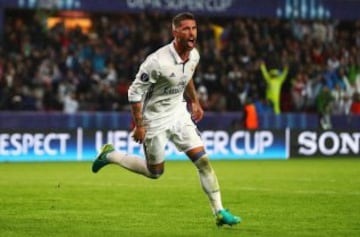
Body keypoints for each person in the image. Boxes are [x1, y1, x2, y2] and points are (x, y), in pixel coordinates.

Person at [91, 12, 241, 227]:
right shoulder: (156, 62)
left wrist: (195, 102)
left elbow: (187, 76)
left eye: (194, 28)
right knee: (156, 173)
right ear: (175, 32)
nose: (192, 33)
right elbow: (134, 93)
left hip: (179, 115)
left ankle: (219, 212)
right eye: (187, 29)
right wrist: (140, 125)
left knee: (203, 162)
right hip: (154, 120)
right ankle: (110, 155)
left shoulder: (194, 55)